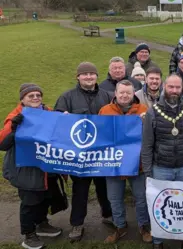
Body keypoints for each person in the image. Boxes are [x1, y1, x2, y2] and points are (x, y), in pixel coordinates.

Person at [141, 74, 183, 249]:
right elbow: (147, 145)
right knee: (159, 205)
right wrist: (148, 173)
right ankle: (158, 241)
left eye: (177, 87)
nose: (174, 91)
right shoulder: (152, 111)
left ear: (182, 88)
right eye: (171, 87)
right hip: (161, 168)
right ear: (164, 87)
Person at [54, 62, 113, 242]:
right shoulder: (67, 97)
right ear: (78, 77)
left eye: (92, 74)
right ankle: (77, 223)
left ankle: (108, 214)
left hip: (102, 154)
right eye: (84, 74)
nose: (88, 77)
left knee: (105, 188)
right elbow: (56, 124)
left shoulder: (108, 96)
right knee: (80, 191)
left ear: (97, 76)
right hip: (79, 157)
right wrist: (60, 119)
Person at [1, 83, 62, 249]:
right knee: (30, 202)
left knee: (44, 197)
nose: (35, 98)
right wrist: (14, 128)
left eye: (38, 95)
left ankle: (42, 224)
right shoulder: (16, 115)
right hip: (25, 168)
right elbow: (3, 144)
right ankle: (28, 235)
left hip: (44, 167)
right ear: (23, 99)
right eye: (31, 96)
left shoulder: (47, 112)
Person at [98, 80, 151, 243]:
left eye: (128, 92)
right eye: (121, 92)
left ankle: (144, 226)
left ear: (133, 94)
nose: (124, 95)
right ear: (115, 93)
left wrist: (145, 123)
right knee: (114, 198)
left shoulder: (144, 110)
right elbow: (99, 135)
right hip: (113, 165)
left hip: (138, 164)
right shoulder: (105, 110)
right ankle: (120, 226)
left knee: (141, 198)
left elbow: (151, 135)